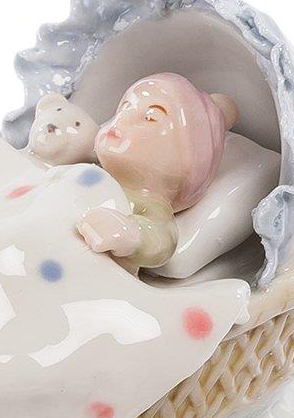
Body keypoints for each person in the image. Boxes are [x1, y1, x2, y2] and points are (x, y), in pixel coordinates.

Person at [76, 73, 238, 273]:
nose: (122, 118)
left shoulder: (146, 202)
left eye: (150, 117)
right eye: (125, 107)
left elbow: (162, 241)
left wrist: (129, 234)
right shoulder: (84, 169)